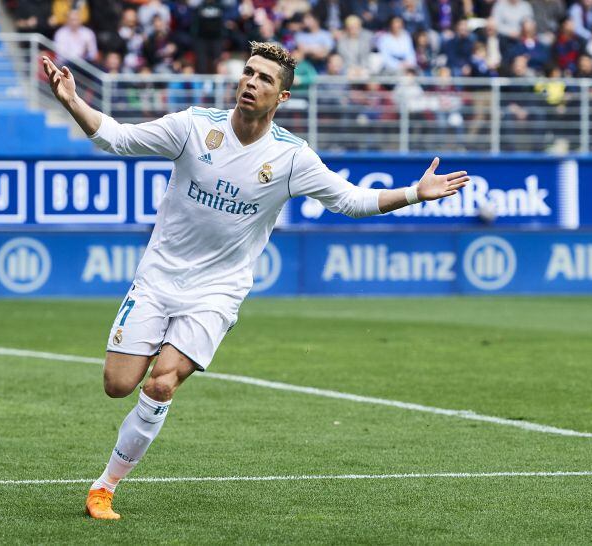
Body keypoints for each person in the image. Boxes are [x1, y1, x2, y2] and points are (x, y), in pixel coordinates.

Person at [42, 41, 469, 520]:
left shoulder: (291, 157)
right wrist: (73, 101)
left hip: (217, 292)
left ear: (281, 98)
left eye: (265, 79)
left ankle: (105, 487)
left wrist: (414, 193)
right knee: (118, 385)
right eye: (249, 72)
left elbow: (348, 200)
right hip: (157, 279)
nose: (252, 82)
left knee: (160, 385)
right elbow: (117, 138)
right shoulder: (193, 127)